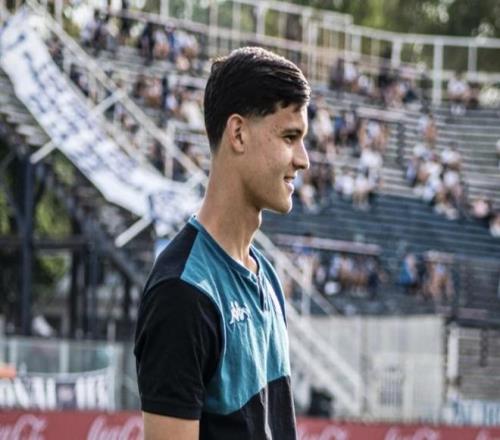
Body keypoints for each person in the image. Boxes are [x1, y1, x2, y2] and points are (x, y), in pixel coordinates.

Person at [134, 47, 310, 440]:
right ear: (238, 133)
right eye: (290, 137)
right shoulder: (182, 291)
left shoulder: (265, 276)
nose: (303, 160)